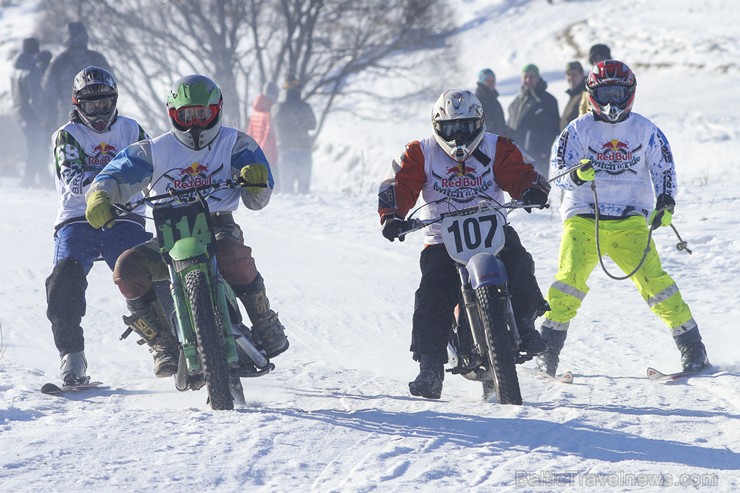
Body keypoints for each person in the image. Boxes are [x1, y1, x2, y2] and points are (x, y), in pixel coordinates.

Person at [84, 74, 289, 376]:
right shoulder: (153, 150)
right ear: (173, 115)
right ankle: (162, 343)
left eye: (202, 114)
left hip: (218, 226)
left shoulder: (236, 143)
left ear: (216, 111)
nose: (195, 124)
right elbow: (116, 173)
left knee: (234, 255)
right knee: (126, 270)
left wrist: (255, 178)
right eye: (186, 115)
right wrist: (100, 194)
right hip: (169, 234)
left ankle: (264, 320)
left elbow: (258, 199)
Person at [538, 60, 710, 377]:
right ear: (591, 95)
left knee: (656, 283)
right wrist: (576, 176)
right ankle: (547, 352)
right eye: (604, 94)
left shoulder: (646, 130)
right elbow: (558, 175)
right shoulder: (576, 130)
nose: (611, 102)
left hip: (631, 219)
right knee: (569, 280)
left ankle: (693, 348)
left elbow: (665, 170)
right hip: (584, 218)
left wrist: (666, 202)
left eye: (619, 94)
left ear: (630, 93)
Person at [378, 89, 551, 400]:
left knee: (520, 262)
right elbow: (398, 183)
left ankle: (525, 326)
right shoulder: (422, 151)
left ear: (480, 124)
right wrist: (392, 215)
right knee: (432, 290)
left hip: (493, 230)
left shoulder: (498, 146)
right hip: (442, 237)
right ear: (436, 127)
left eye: (466, 127)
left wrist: (531, 189)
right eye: (450, 129)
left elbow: (522, 172)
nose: (458, 135)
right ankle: (430, 366)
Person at [46, 66, 152, 385]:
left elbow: (152, 166)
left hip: (125, 216)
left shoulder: (132, 130)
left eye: (104, 103)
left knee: (146, 273)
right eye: (91, 105)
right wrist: (113, 180)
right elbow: (73, 179)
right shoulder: (68, 135)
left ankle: (170, 343)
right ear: (78, 104)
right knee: (64, 279)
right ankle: (71, 356)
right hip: (78, 219)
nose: (99, 111)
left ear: (115, 100)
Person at [43, 22, 111, 132]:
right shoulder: (97, 58)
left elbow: (49, 90)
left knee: (69, 145)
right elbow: (112, 82)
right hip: (99, 114)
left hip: (68, 113)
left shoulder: (59, 61)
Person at [507, 64, 560, 176]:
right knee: (516, 191)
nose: (528, 80)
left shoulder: (547, 100)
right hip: (516, 157)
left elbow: (553, 128)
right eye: (525, 77)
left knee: (538, 190)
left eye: (531, 76)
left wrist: (543, 152)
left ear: (537, 78)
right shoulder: (517, 101)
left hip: (537, 157)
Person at [10, 37, 49, 188]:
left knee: (31, 147)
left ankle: (37, 179)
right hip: (32, 116)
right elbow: (35, 99)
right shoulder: (33, 71)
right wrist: (43, 117)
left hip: (20, 113)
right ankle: (28, 181)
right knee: (35, 148)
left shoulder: (16, 68)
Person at [273, 74, 316, 194]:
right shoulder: (305, 107)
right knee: (304, 191)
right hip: (304, 149)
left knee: (287, 193)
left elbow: (276, 125)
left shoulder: (279, 108)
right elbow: (313, 125)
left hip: (285, 149)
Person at [246, 81, 280, 183]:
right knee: (273, 185)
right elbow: (269, 133)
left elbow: (250, 131)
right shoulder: (269, 109)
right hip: (268, 152)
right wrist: (267, 152)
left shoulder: (255, 109)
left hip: (257, 149)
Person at [578, 43, 611, 116]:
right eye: (595, 59)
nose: (598, 62)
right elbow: (583, 109)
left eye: (601, 59)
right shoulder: (588, 84)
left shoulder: (615, 83)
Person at [474, 68, 508, 136]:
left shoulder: (494, 100)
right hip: (487, 141)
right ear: (481, 82)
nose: (491, 83)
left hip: (497, 140)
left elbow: (501, 123)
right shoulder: (477, 101)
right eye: (488, 81)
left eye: (493, 81)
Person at [559, 61, 586, 131]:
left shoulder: (586, 95)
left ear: (582, 75)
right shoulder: (574, 95)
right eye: (568, 74)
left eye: (574, 74)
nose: (571, 77)